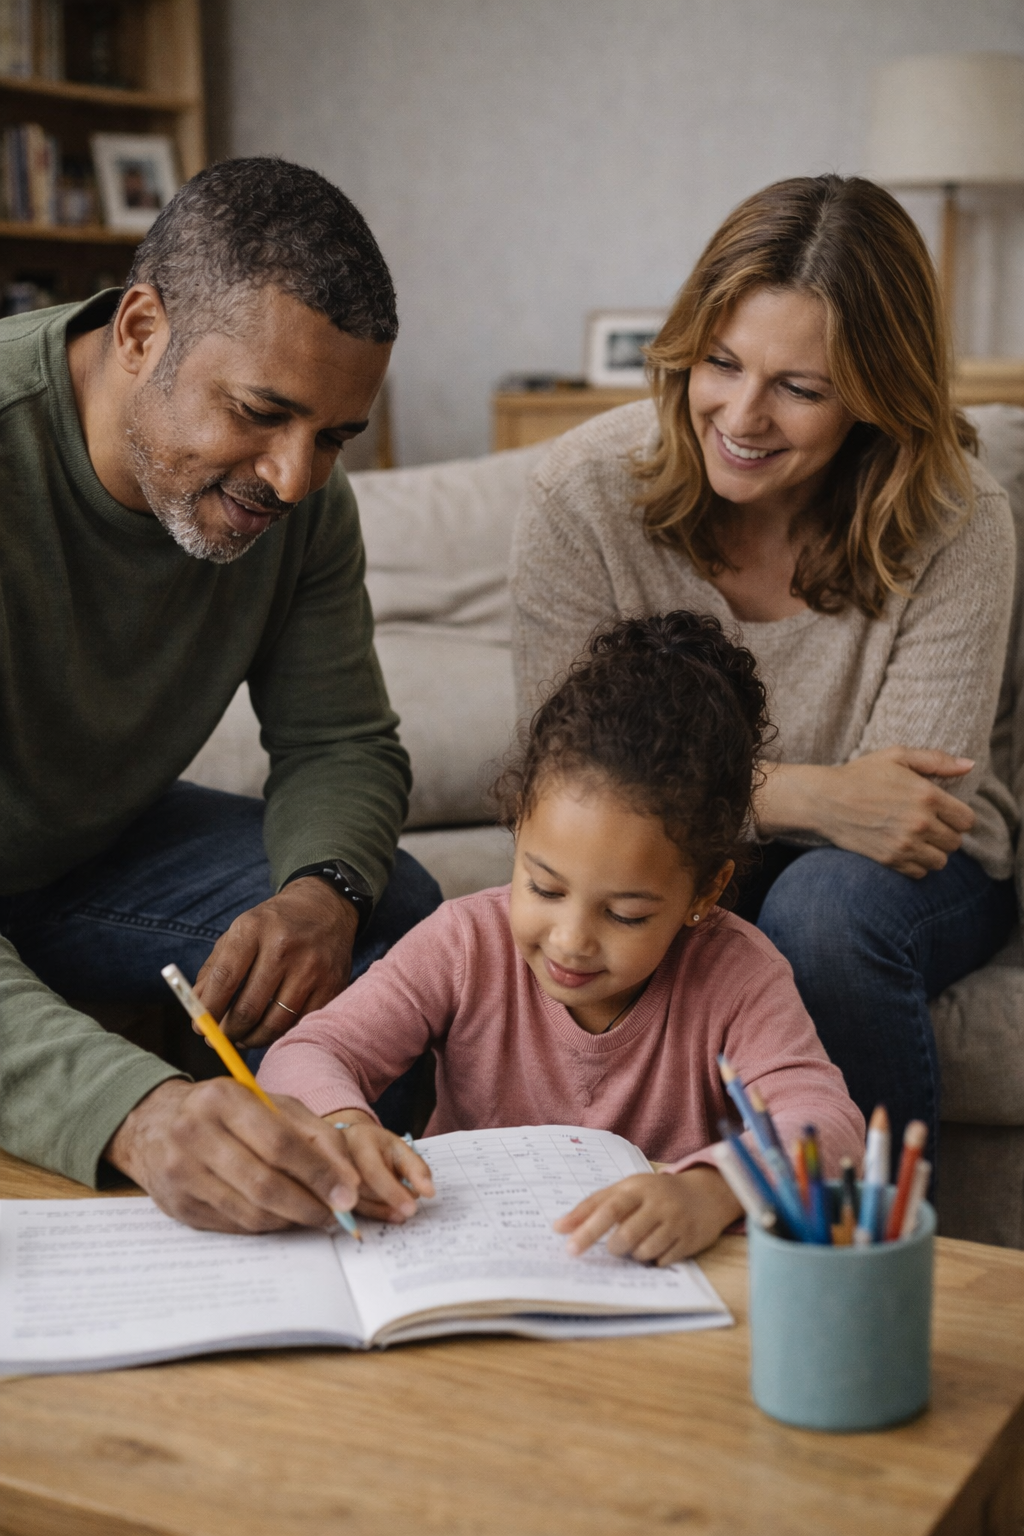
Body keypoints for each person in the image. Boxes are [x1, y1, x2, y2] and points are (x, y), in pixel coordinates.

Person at [511, 174, 1018, 1168]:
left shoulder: (958, 518)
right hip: (682, 850)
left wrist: (738, 802)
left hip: (917, 875)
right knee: (650, 900)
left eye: (798, 388)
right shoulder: (581, 498)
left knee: (815, 912)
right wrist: (815, 795)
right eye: (721, 364)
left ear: (873, 397)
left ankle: (865, 1263)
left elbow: (906, 817)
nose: (740, 417)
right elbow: (560, 780)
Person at [0, 156, 442, 1233]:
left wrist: (321, 893)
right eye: (261, 412)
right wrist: (140, 1113)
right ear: (141, 331)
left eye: (333, 436)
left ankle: (350, 1271)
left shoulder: (297, 503)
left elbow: (341, 740)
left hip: (74, 859)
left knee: (395, 912)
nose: (293, 478)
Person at [257, 612, 864, 1264]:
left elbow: (827, 1127)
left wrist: (712, 1192)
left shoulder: (738, 975)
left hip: (647, 1283)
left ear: (704, 894)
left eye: (626, 915)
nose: (571, 941)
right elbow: (306, 1053)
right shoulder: (465, 943)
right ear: (518, 830)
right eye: (545, 889)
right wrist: (344, 1125)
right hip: (470, 1266)